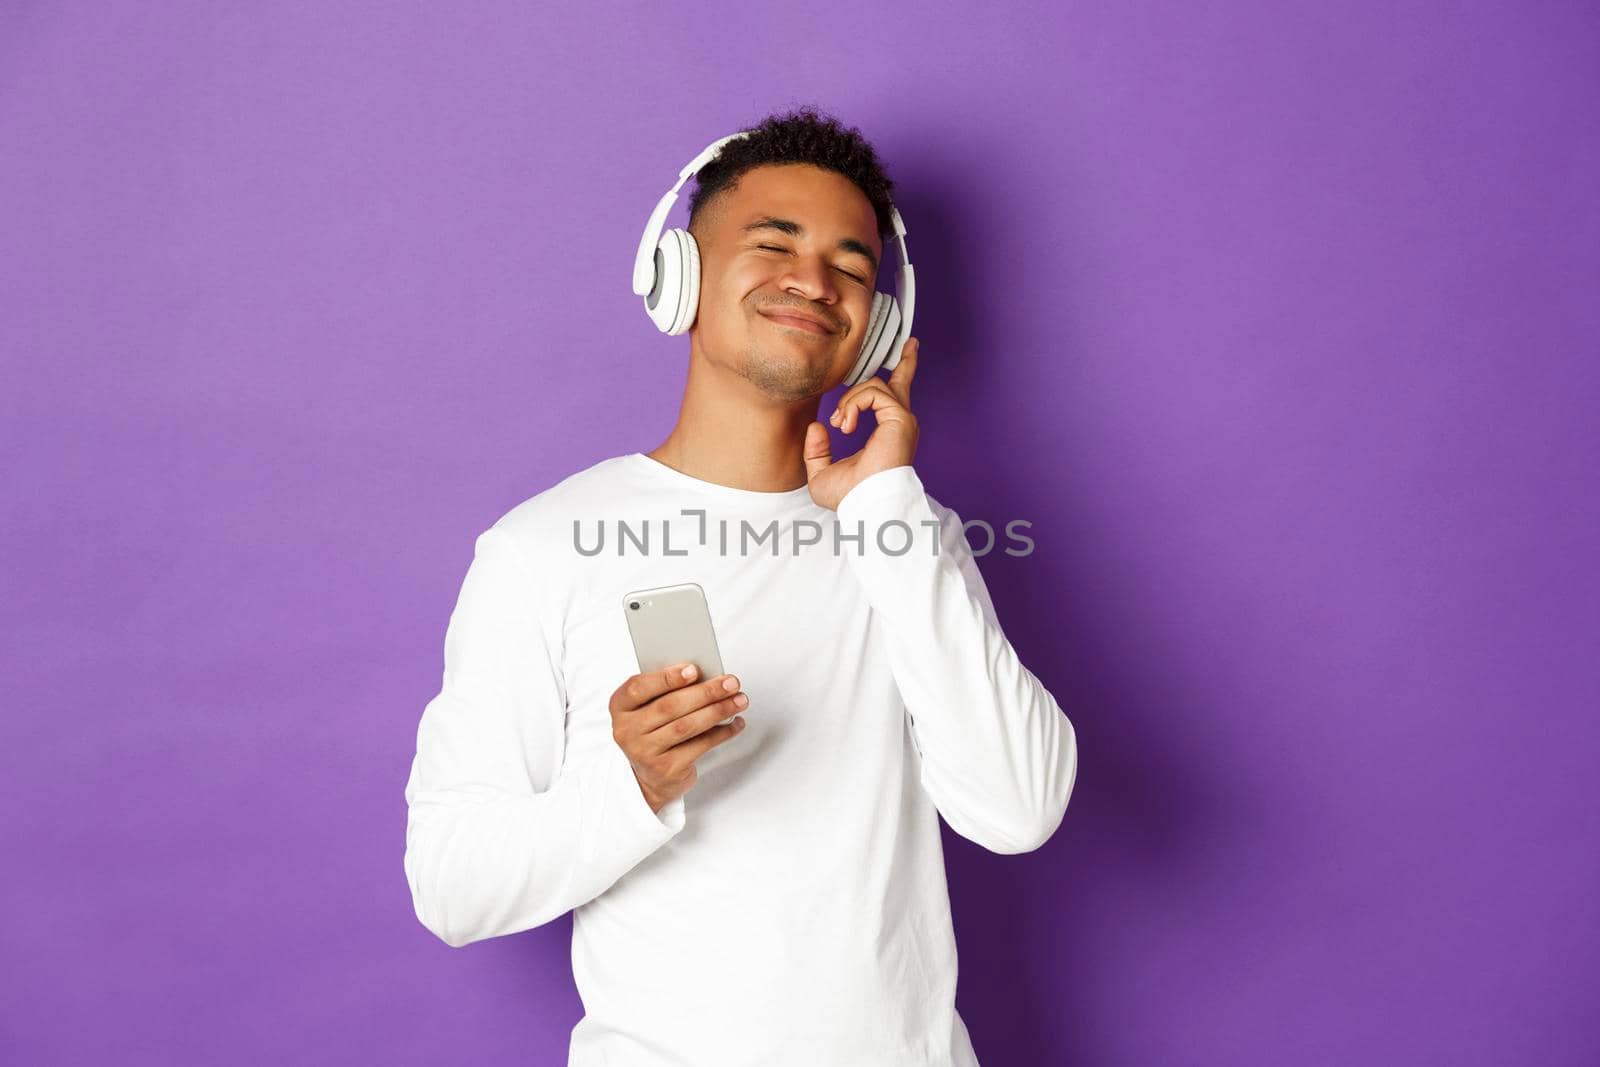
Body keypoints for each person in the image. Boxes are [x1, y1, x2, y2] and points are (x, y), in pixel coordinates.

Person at [402, 106, 1079, 1067]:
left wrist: (887, 505)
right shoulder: (541, 548)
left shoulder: (901, 534)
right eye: (774, 244)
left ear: (878, 324)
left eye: (851, 267)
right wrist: (632, 782)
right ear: (680, 274)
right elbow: (451, 886)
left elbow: (1019, 808)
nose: (813, 281)